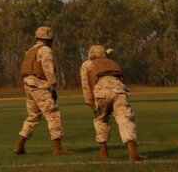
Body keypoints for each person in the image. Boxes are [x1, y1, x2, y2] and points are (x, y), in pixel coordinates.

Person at [14, 26, 73, 156]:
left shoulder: (30, 50)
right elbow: (48, 69)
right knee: (53, 115)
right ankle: (57, 148)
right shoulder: (45, 50)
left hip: (29, 86)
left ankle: (20, 144)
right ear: (49, 39)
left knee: (33, 117)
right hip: (40, 86)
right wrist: (53, 87)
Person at [79, 45, 145, 160]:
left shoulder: (87, 64)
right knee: (125, 119)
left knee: (101, 119)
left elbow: (85, 85)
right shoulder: (112, 63)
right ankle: (132, 153)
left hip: (101, 92)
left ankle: (103, 153)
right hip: (119, 91)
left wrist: (90, 102)